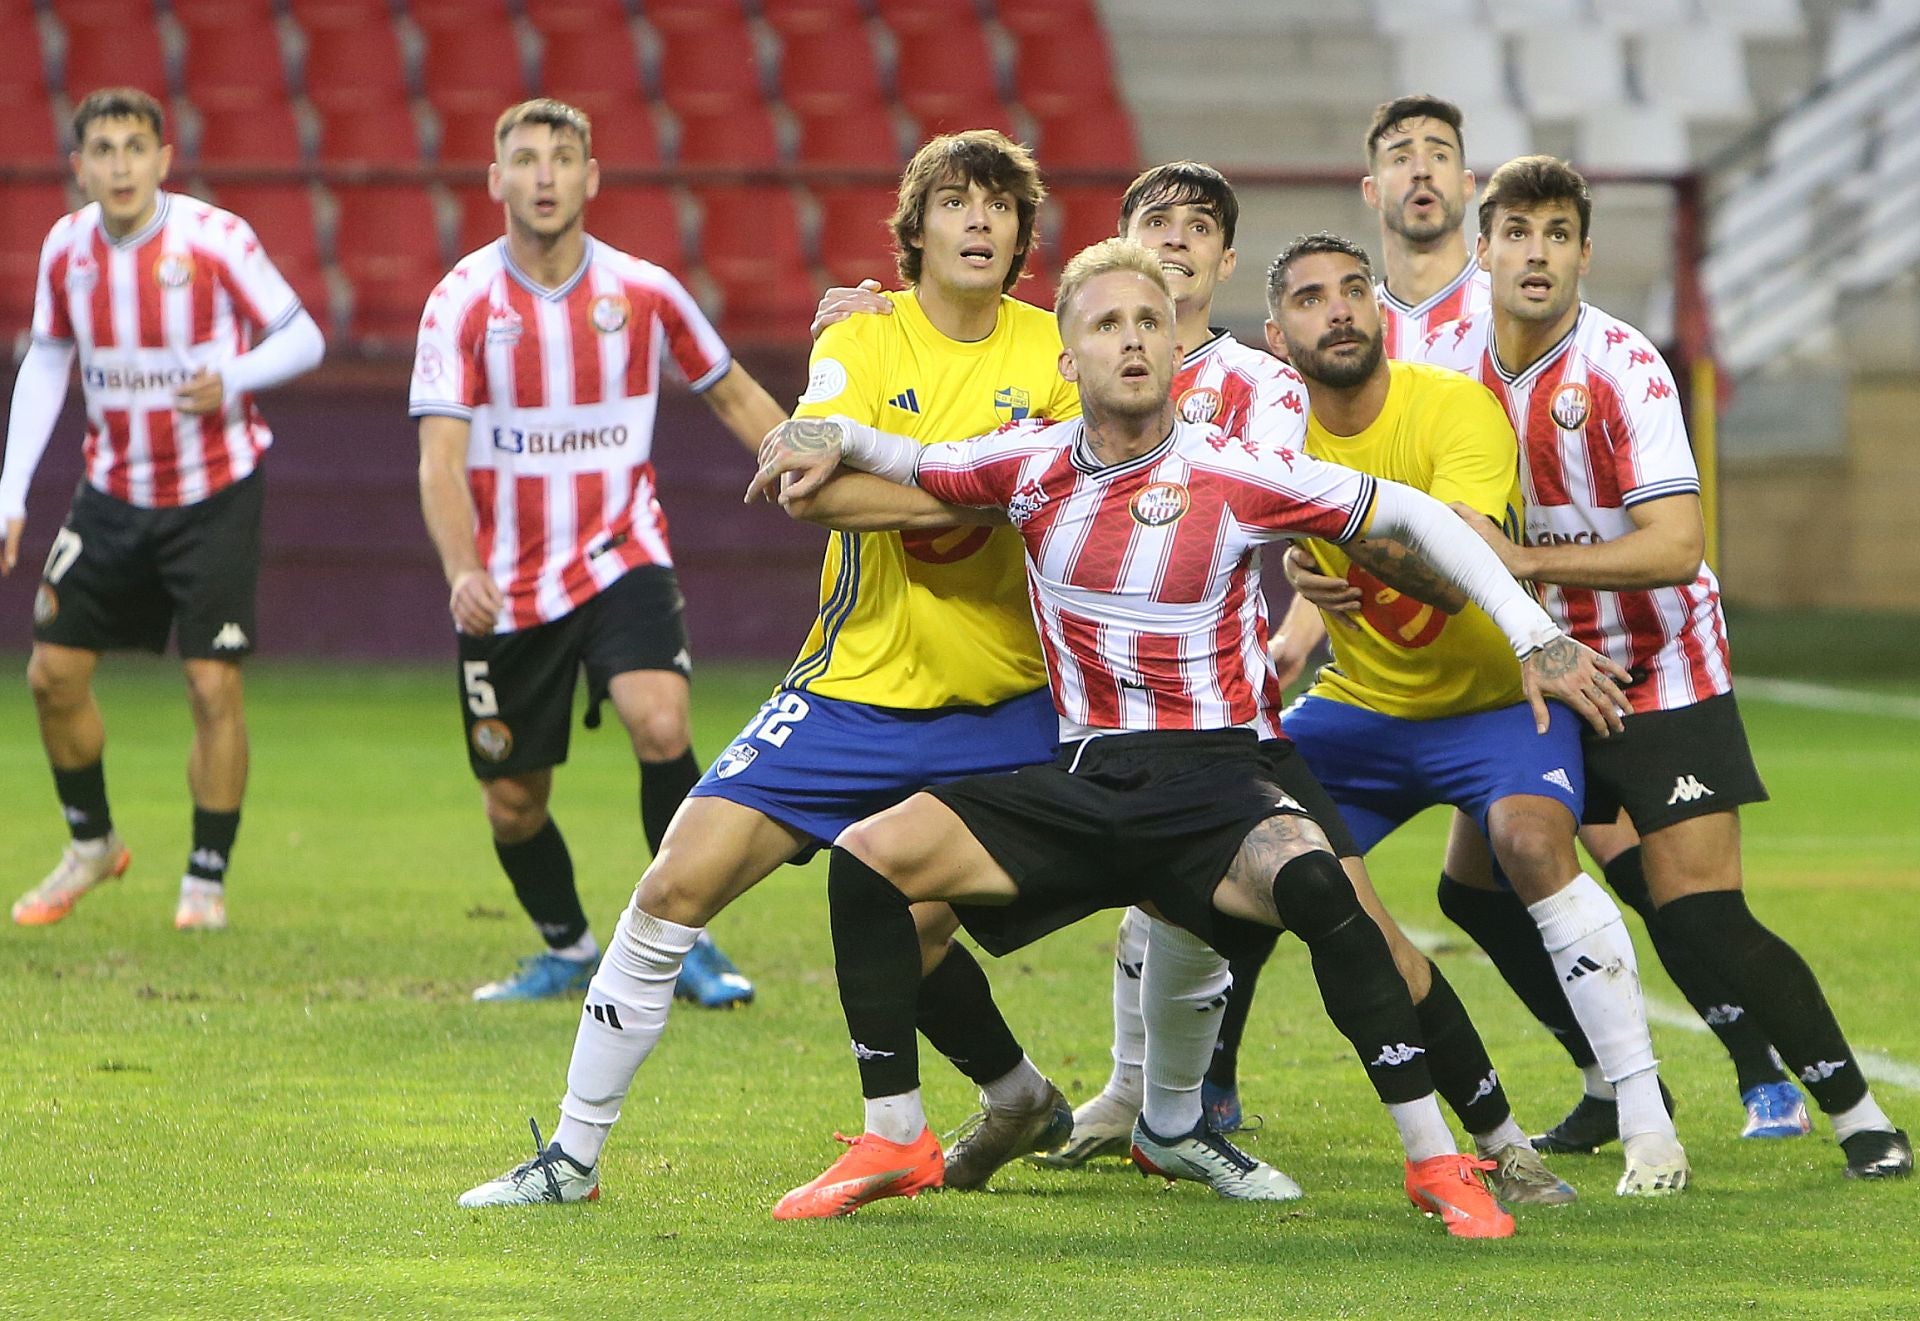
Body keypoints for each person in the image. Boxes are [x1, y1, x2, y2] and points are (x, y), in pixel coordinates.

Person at [755, 238, 1632, 1235]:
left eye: (1148, 323)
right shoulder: (1025, 466)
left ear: (1176, 349)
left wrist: (1536, 633)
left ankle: (1436, 1161)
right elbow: (901, 455)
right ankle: (895, 1133)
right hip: (1083, 779)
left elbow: (1420, 519)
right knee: (867, 861)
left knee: (1319, 884)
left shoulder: (1240, 468)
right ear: (1067, 359)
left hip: (1215, 784)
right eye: (1105, 325)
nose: (1132, 340)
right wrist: (815, 428)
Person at [457, 129, 1086, 1207]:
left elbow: (1077, 496)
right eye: (956, 202)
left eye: (1000, 205)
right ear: (916, 229)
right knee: (672, 887)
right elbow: (806, 480)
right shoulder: (864, 333)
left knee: (935, 917)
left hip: (1012, 704)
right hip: (849, 695)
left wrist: (984, 491)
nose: (980, 220)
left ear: (1025, 233)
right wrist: (992, 491)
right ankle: (570, 1158)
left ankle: (1157, 1111)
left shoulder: (1057, 351)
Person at [1030, 163, 1574, 1210]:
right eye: (1157, 224)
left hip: (1231, 727)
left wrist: (1295, 626)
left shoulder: (1261, 387)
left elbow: (1270, 506)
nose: (1178, 242)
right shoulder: (1077, 362)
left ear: (1225, 261)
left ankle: (1496, 1138)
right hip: (1096, 716)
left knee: (1353, 923)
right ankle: (1133, 1098)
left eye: (1200, 229)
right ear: (1124, 242)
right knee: (1141, 912)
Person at [1273, 96, 1801, 1147]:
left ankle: (1750, 1064)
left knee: (1637, 868)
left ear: (1472, 192)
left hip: (1587, 642)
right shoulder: (1365, 334)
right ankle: (1616, 1079)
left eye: (1442, 156)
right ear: (1372, 191)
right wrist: (1303, 584)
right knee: (1471, 877)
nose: (1422, 172)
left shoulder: (1510, 302)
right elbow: (1340, 493)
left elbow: (1454, 520)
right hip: (1477, 655)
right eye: (1399, 158)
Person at [1415, 154, 1911, 1181]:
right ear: (1483, 249)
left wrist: (1527, 562)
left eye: (1558, 234)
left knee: (1702, 915)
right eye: (1517, 231)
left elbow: (1679, 544)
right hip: (1539, 674)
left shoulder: (1624, 367)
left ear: (1586, 254)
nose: (1536, 251)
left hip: (1657, 669)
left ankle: (1857, 1109)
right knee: (1477, 889)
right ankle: (1609, 1078)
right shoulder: (1447, 367)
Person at [410, 100, 779, 1004]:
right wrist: (463, 570)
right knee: (514, 800)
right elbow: (439, 461)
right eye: (525, 159)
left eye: (562, 157)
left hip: (622, 550)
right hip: (505, 583)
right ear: (495, 179)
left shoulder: (644, 290)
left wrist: (809, 470)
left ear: (591, 178)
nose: (543, 175)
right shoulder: (461, 302)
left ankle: (680, 935)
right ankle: (570, 947)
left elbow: (731, 394)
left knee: (661, 723)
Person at [3, 88, 325, 933]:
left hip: (214, 490)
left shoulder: (215, 239)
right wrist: (10, 493)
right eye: (101, 149)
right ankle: (92, 843)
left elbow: (303, 335)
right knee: (51, 675)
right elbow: (46, 362)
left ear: (162, 158)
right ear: (79, 168)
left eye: (133, 147)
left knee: (211, 684)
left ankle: (204, 879)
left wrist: (238, 377)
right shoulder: (67, 249)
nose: (118, 164)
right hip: (112, 492)